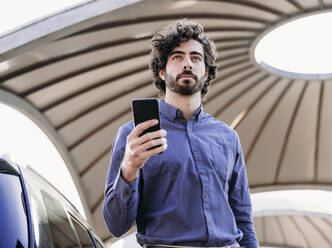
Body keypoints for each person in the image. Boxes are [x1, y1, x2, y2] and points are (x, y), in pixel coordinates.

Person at [103, 19, 259, 248]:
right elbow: (116, 226)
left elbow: (243, 219)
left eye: (196, 58)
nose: (187, 63)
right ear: (162, 70)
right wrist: (129, 168)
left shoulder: (227, 137)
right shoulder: (133, 135)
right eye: (177, 57)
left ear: (206, 72)